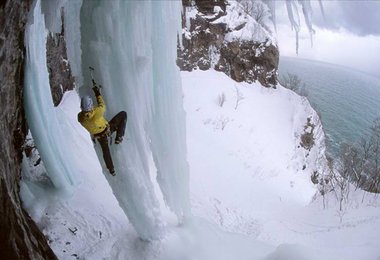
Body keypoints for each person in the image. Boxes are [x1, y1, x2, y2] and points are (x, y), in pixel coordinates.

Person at [78, 84, 127, 176]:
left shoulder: (80, 118)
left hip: (99, 136)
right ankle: (119, 137)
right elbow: (102, 105)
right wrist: (97, 93)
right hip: (107, 129)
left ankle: (111, 170)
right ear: (91, 105)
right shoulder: (97, 113)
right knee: (123, 114)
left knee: (106, 151)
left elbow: (86, 115)